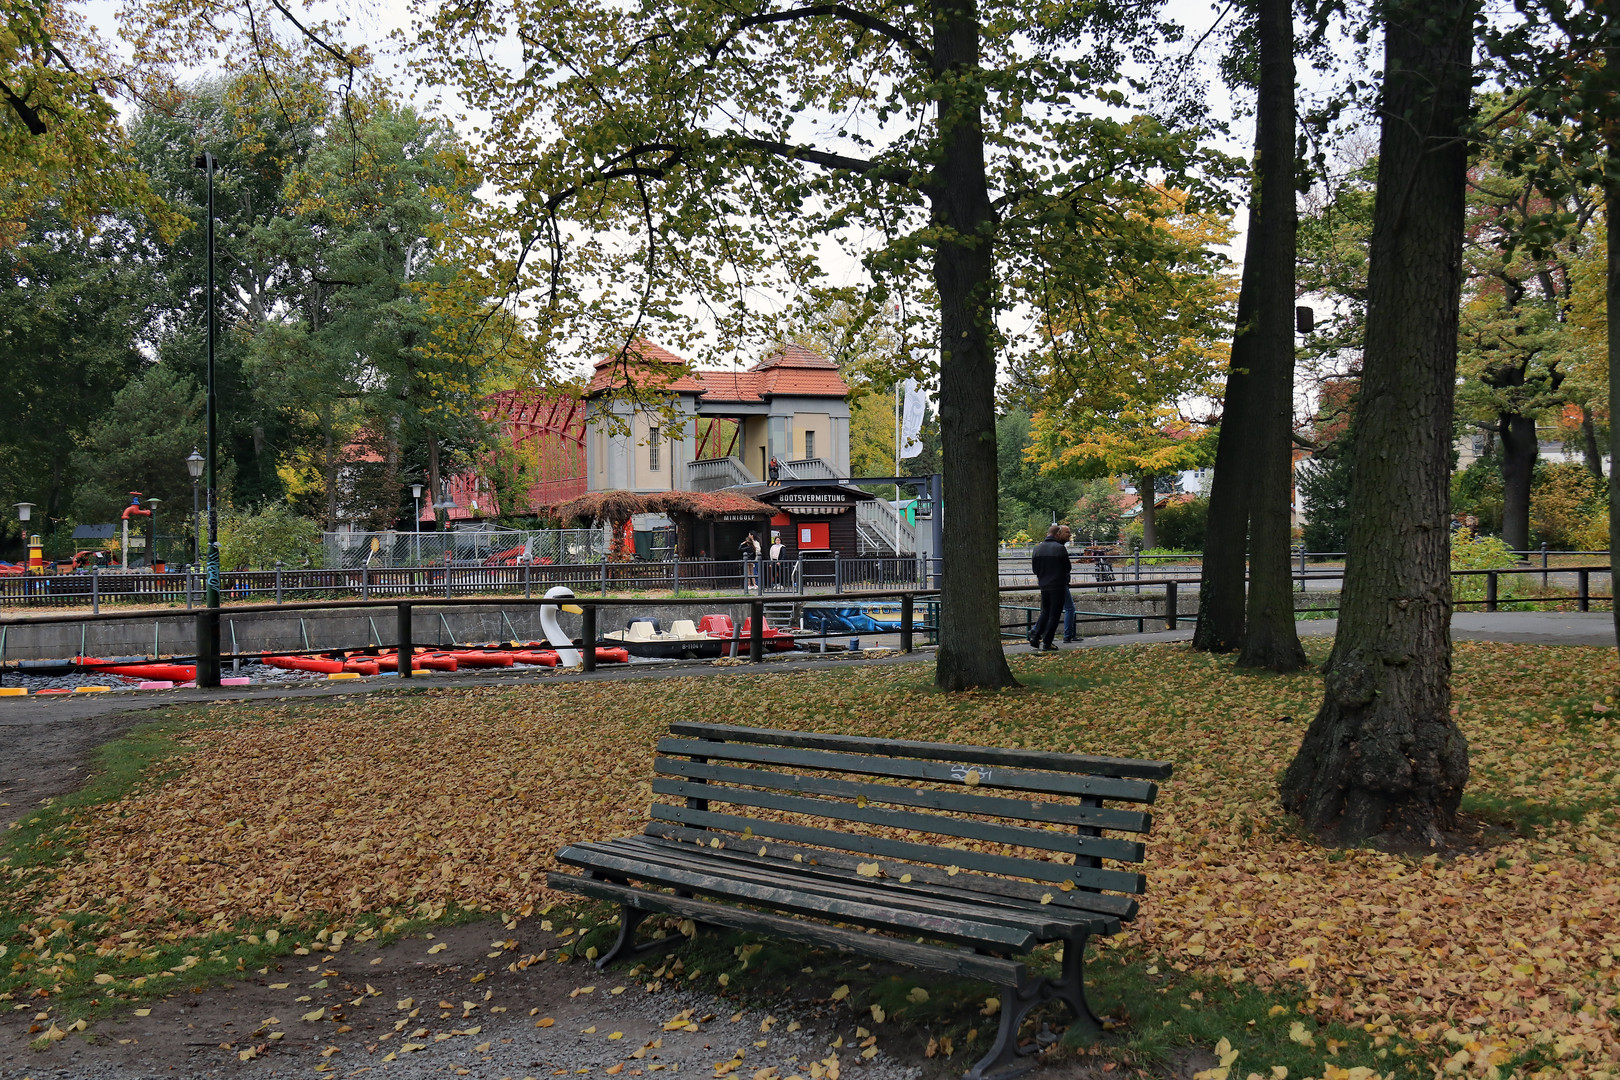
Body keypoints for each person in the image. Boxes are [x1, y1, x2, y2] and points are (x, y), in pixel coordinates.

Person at [1028, 524, 1073, 650]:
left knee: (1045, 611)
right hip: (1057, 585)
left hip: (1044, 585)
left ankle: (1035, 635)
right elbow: (1067, 568)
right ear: (1057, 534)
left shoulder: (1037, 549)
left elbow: (1035, 569)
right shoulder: (1059, 548)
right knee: (1055, 614)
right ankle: (1047, 642)